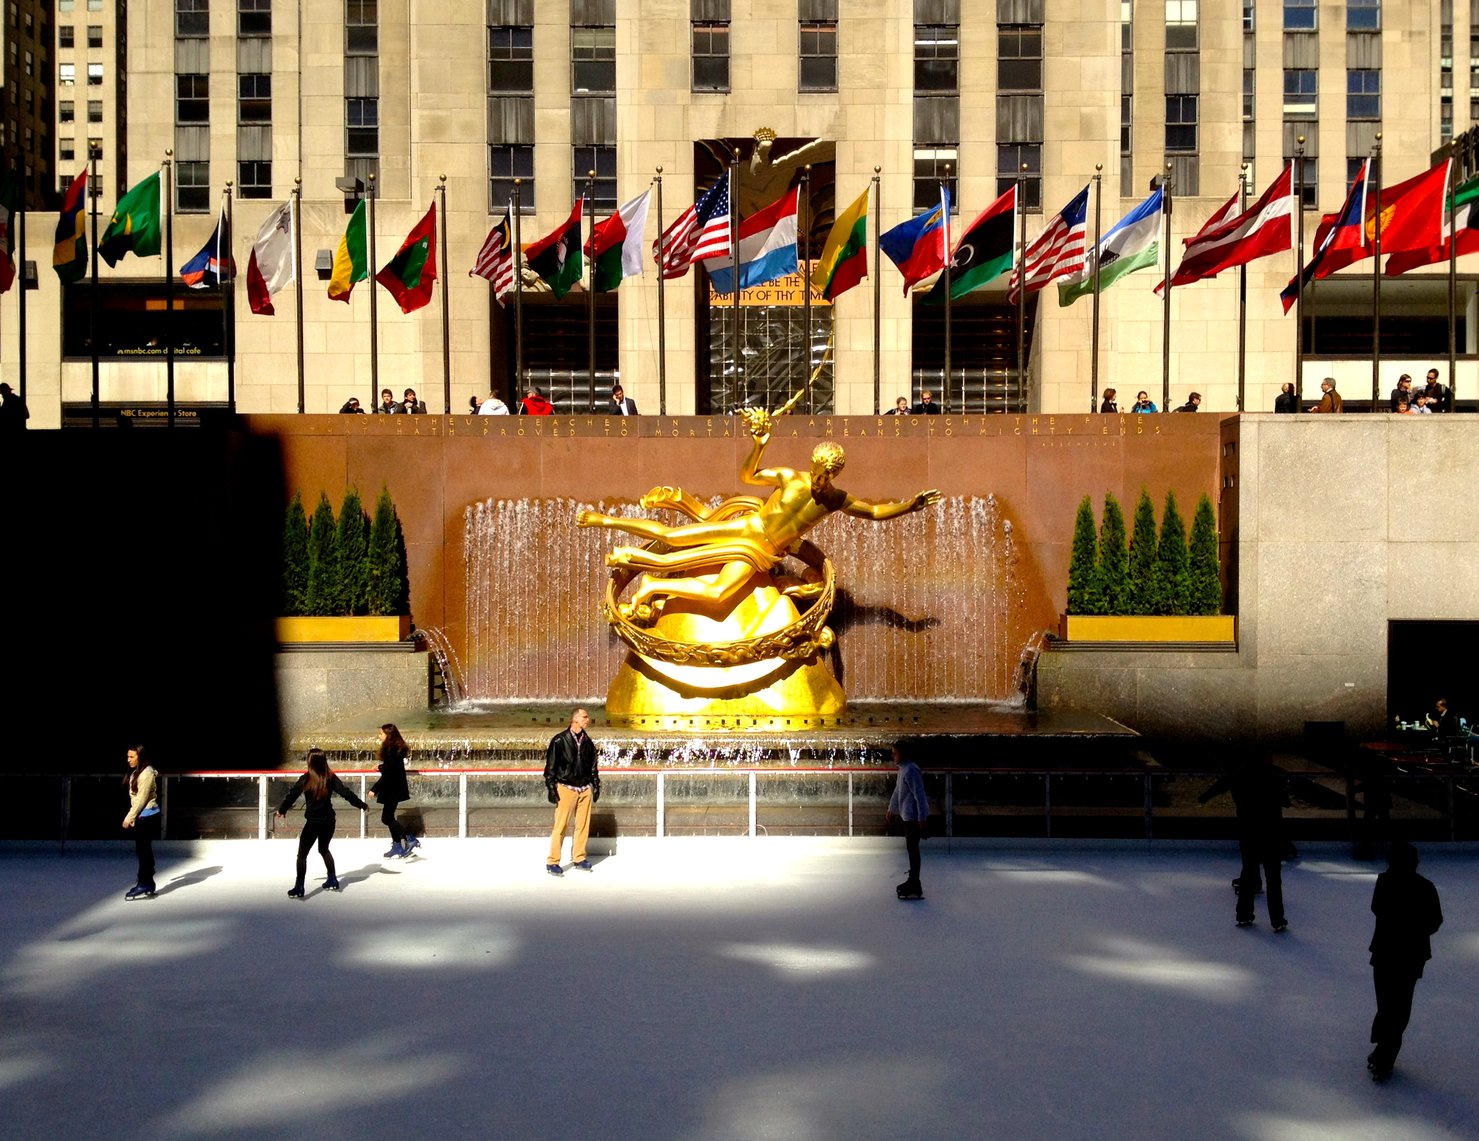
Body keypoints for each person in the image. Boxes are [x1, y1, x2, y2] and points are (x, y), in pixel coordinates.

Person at [577, 406, 940, 621]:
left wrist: (910, 505)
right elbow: (748, 476)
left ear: (835, 475)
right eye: (816, 471)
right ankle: (606, 521)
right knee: (672, 538)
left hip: (763, 554)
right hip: (747, 528)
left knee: (719, 592)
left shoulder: (836, 499)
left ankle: (655, 586)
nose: (818, 479)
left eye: (826, 475)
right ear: (812, 465)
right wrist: (758, 445)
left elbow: (875, 511)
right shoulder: (789, 478)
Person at [1367, 841, 1443, 1081]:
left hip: (1385, 952)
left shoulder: (1384, 882)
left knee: (1387, 1003)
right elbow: (1435, 920)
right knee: (1399, 1006)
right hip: (1411, 955)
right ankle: (1384, 1053)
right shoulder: (1426, 887)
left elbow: (1377, 908)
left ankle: (1383, 1053)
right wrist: (1416, 932)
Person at [1197, 756, 1290, 931]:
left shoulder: (1239, 775)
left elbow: (1220, 786)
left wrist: (1203, 797)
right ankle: (1277, 919)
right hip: (1270, 832)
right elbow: (1286, 802)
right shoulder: (1273, 777)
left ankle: (1244, 914)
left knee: (1248, 873)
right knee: (1273, 878)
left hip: (1248, 831)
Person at [275, 747, 368, 898]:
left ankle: (299, 886)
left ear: (310, 762)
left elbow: (292, 795)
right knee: (324, 849)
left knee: (302, 855)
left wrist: (282, 810)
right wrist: (361, 805)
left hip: (313, 823)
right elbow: (346, 793)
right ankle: (332, 879)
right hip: (329, 821)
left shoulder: (305, 779)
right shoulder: (330, 777)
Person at [544, 707, 600, 876]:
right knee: (561, 826)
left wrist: (596, 785)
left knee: (583, 826)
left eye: (587, 717)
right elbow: (550, 769)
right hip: (566, 788)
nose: (587, 720)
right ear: (575, 719)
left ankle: (579, 857)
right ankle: (552, 861)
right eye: (584, 717)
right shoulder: (559, 741)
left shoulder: (588, 743)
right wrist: (552, 788)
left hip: (584, 790)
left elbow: (593, 767)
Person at [885, 741, 929, 899]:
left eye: (895, 753)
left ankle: (915, 882)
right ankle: (914, 881)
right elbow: (898, 791)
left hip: (913, 818)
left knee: (913, 850)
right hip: (907, 815)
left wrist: (922, 818)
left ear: (902, 753)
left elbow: (920, 796)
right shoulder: (903, 769)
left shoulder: (911, 770)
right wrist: (892, 808)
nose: (892, 755)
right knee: (911, 849)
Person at [370, 723, 419, 858]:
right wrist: (381, 767)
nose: (379, 736)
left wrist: (374, 789)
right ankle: (397, 845)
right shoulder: (395, 749)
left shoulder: (391, 750)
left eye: (381, 733)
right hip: (394, 787)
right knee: (389, 816)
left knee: (386, 818)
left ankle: (410, 838)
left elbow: (389, 774)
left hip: (392, 788)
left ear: (388, 735)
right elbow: (391, 767)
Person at [122, 744, 161, 901]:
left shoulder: (146, 774)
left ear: (140, 756)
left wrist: (129, 817)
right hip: (142, 816)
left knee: (143, 850)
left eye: (131, 756)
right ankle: (147, 881)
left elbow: (141, 799)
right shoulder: (137, 773)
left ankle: (145, 881)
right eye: (128, 756)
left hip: (147, 816)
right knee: (142, 849)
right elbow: (136, 799)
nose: (128, 760)